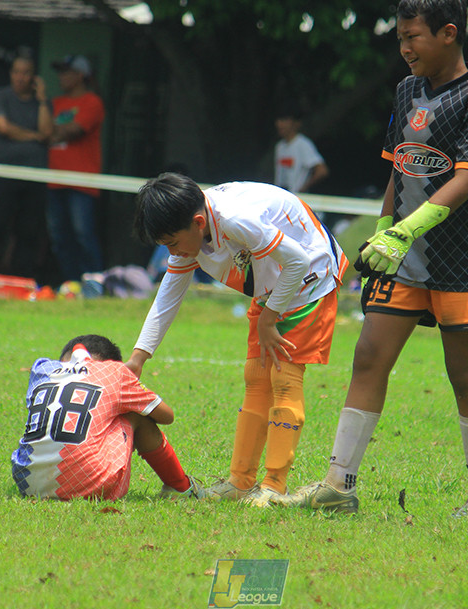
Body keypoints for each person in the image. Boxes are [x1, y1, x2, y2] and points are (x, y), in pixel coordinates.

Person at [274, 0, 468, 519]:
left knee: (464, 373)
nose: (404, 48)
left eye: (412, 37)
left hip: (463, 262)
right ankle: (338, 485)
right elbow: (398, 170)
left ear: (449, 33)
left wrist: (404, 232)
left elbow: (467, 181)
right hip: (401, 258)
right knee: (369, 356)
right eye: (400, 38)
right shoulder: (406, 91)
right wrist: (383, 235)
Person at [125, 173, 349, 508]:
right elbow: (168, 294)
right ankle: (240, 482)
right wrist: (139, 357)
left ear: (198, 222)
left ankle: (274, 487)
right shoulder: (191, 225)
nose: (173, 252)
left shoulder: (235, 220)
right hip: (273, 285)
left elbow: (298, 260)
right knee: (256, 377)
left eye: (173, 243)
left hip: (309, 279)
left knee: (285, 377)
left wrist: (269, 318)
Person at [11, 334, 205, 501]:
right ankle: (180, 487)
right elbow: (167, 416)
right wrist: (131, 383)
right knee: (135, 412)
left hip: (27, 483)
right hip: (90, 485)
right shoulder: (114, 372)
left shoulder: (42, 368)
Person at [0, 51, 52, 290]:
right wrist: (34, 136)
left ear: (33, 77)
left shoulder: (42, 102)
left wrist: (42, 99)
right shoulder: (0, 96)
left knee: (29, 229)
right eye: (16, 72)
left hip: (35, 175)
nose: (20, 77)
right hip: (6, 174)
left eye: (26, 73)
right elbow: (3, 128)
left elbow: (47, 133)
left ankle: (22, 279)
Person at [47, 55, 105, 282]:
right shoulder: (55, 103)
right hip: (54, 179)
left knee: (83, 235)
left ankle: (93, 284)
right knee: (59, 237)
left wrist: (50, 132)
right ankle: (71, 284)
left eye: (66, 72)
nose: (61, 77)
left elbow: (73, 130)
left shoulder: (92, 102)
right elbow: (44, 132)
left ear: (80, 75)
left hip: (82, 181)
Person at [274, 105, 329, 194]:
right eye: (279, 120)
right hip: (282, 195)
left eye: (284, 120)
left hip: (297, 196)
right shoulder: (280, 147)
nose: (280, 124)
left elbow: (322, 170)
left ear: (297, 123)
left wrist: (303, 188)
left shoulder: (303, 144)